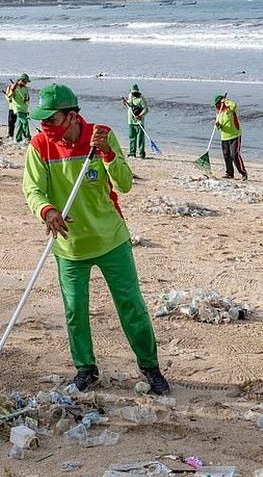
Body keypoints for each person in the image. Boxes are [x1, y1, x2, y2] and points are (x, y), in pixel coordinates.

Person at [23, 83, 170, 395]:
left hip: (111, 239)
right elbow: (33, 190)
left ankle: (150, 367)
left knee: (131, 305)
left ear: (73, 116)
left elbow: (126, 183)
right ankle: (85, 369)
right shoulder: (39, 146)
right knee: (75, 311)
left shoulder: (100, 136)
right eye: (42, 120)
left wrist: (107, 153)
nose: (45, 126)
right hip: (69, 245)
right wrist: (47, 211)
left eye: (51, 119)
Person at [214, 94, 247, 180]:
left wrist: (226, 100)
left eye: (218, 103)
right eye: (216, 105)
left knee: (235, 154)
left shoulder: (230, 109)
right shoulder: (218, 112)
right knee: (226, 155)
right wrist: (217, 125)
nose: (217, 106)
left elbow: (234, 105)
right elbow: (218, 127)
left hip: (235, 135)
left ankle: (243, 172)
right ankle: (229, 173)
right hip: (224, 137)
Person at [122, 83, 149, 159]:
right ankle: (132, 153)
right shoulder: (130, 96)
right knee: (132, 137)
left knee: (140, 138)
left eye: (135, 92)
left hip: (139, 121)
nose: (134, 94)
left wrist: (140, 116)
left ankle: (141, 153)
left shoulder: (141, 99)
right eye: (132, 92)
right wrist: (125, 103)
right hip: (131, 120)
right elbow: (129, 105)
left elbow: (146, 109)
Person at [5, 73, 31, 142]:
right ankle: (26, 137)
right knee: (14, 121)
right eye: (25, 82)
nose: (25, 83)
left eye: (26, 82)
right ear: (21, 80)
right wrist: (12, 91)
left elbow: (28, 97)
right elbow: (8, 96)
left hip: (24, 108)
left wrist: (26, 99)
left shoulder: (25, 88)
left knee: (20, 123)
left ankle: (19, 138)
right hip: (15, 107)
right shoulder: (12, 86)